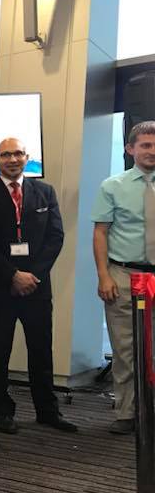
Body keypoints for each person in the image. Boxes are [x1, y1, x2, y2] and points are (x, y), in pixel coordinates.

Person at [0, 138, 76, 434]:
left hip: (36, 286)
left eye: (18, 153)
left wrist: (32, 276)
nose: (13, 159)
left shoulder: (45, 192)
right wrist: (12, 275)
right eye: (6, 154)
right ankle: (1, 411)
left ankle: (48, 411)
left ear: (27, 157)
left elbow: (55, 237)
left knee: (41, 349)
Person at [92, 120, 155, 434]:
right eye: (145, 145)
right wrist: (104, 276)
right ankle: (127, 413)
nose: (152, 151)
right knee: (125, 349)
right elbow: (100, 233)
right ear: (131, 149)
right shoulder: (112, 186)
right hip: (124, 275)